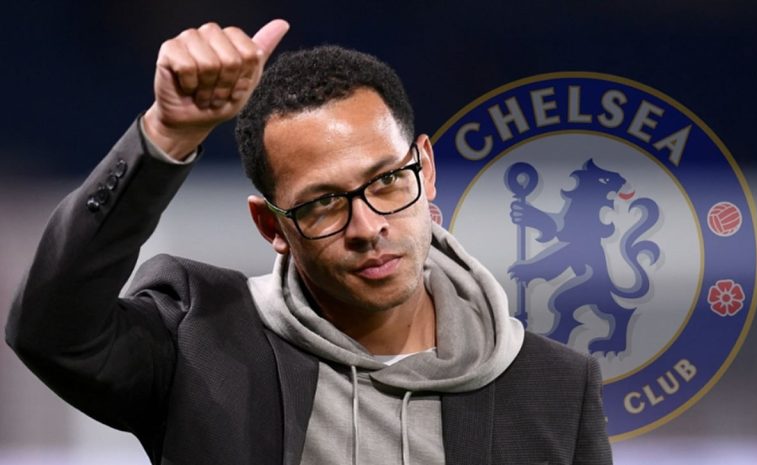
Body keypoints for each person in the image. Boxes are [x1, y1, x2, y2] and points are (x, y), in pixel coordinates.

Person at [5, 19, 612, 465]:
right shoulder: (202, 343)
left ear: (425, 169)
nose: (367, 227)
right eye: (323, 202)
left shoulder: (556, 387)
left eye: (386, 180)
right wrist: (165, 135)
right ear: (271, 227)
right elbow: (50, 332)